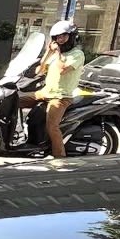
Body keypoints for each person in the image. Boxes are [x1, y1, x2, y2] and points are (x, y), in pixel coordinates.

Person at [20, 18, 85, 159]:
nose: (60, 39)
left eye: (63, 36)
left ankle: (60, 158)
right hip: (45, 92)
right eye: (57, 37)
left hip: (61, 96)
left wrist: (57, 53)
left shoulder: (77, 54)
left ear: (71, 37)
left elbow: (63, 70)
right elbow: (40, 70)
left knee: (52, 127)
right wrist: (48, 53)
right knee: (14, 101)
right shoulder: (56, 54)